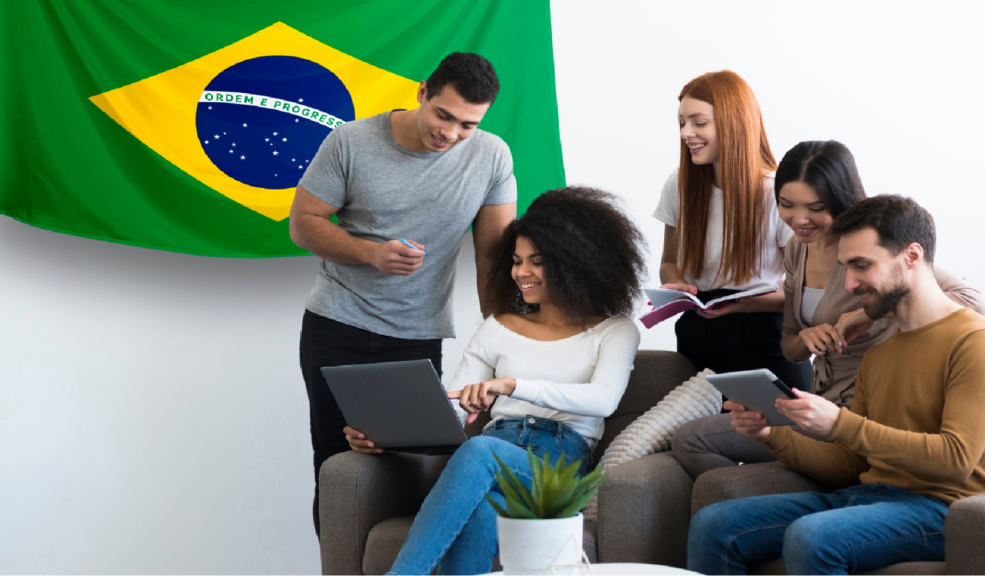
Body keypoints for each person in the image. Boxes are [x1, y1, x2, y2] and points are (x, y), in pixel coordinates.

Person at [687, 195, 985, 575]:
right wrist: (771, 434)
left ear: (912, 256)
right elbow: (851, 463)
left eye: (861, 265)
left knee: (811, 536)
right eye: (845, 267)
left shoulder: (975, 342)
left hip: (942, 508)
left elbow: (956, 459)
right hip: (869, 496)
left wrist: (839, 424)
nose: (849, 283)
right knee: (714, 524)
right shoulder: (880, 353)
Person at [350, 186, 646, 575]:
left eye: (536, 261)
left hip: (557, 464)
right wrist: (382, 432)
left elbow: (604, 400)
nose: (521, 272)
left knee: (478, 452)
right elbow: (452, 405)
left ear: (576, 262)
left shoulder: (615, 330)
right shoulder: (498, 327)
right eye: (516, 260)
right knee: (482, 508)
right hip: (497, 448)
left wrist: (510, 385)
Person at [288, 52, 517, 536]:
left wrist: (502, 346)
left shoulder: (492, 155)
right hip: (337, 327)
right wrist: (370, 254)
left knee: (416, 468)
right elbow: (303, 225)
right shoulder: (351, 142)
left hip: (416, 336)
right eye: (444, 115)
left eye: (467, 125)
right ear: (422, 93)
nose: (451, 134)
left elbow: (493, 258)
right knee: (337, 468)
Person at [672, 141, 985, 478]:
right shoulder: (797, 249)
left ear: (840, 200)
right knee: (701, 437)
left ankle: (817, 481)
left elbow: (971, 299)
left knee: (695, 439)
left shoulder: (873, 249)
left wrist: (867, 315)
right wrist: (804, 336)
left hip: (866, 410)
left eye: (815, 207)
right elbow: (791, 347)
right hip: (820, 399)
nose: (799, 219)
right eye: (786, 205)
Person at [653, 70, 808, 390]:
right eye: (682, 122)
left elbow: (802, 290)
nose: (686, 133)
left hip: (764, 337)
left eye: (698, 122)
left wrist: (743, 304)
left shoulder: (775, 193)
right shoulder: (679, 184)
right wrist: (676, 286)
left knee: (775, 437)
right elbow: (669, 263)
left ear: (733, 122)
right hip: (699, 333)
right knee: (697, 435)